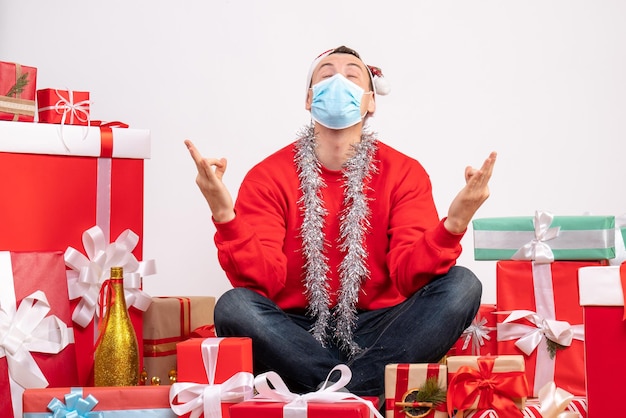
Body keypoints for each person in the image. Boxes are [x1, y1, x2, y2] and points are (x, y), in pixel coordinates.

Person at [185, 45, 497, 398]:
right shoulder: (267, 176)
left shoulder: (404, 173)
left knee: (463, 286)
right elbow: (264, 281)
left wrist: (454, 223)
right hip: (295, 333)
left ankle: (331, 392)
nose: (338, 81)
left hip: (379, 331)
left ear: (370, 102)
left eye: (351, 76)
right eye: (326, 74)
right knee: (234, 306)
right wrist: (225, 216)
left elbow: (410, 277)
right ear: (309, 98)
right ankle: (359, 391)